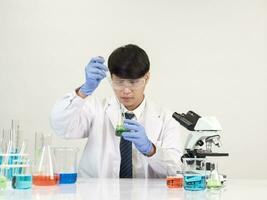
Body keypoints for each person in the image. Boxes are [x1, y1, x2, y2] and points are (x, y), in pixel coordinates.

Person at [50, 44, 184, 178]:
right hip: (96, 194)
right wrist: (83, 91)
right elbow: (61, 126)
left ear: (146, 78)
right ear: (111, 78)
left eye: (133, 82)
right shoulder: (95, 109)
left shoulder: (166, 119)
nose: (126, 90)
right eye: (119, 82)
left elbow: (175, 169)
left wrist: (151, 150)